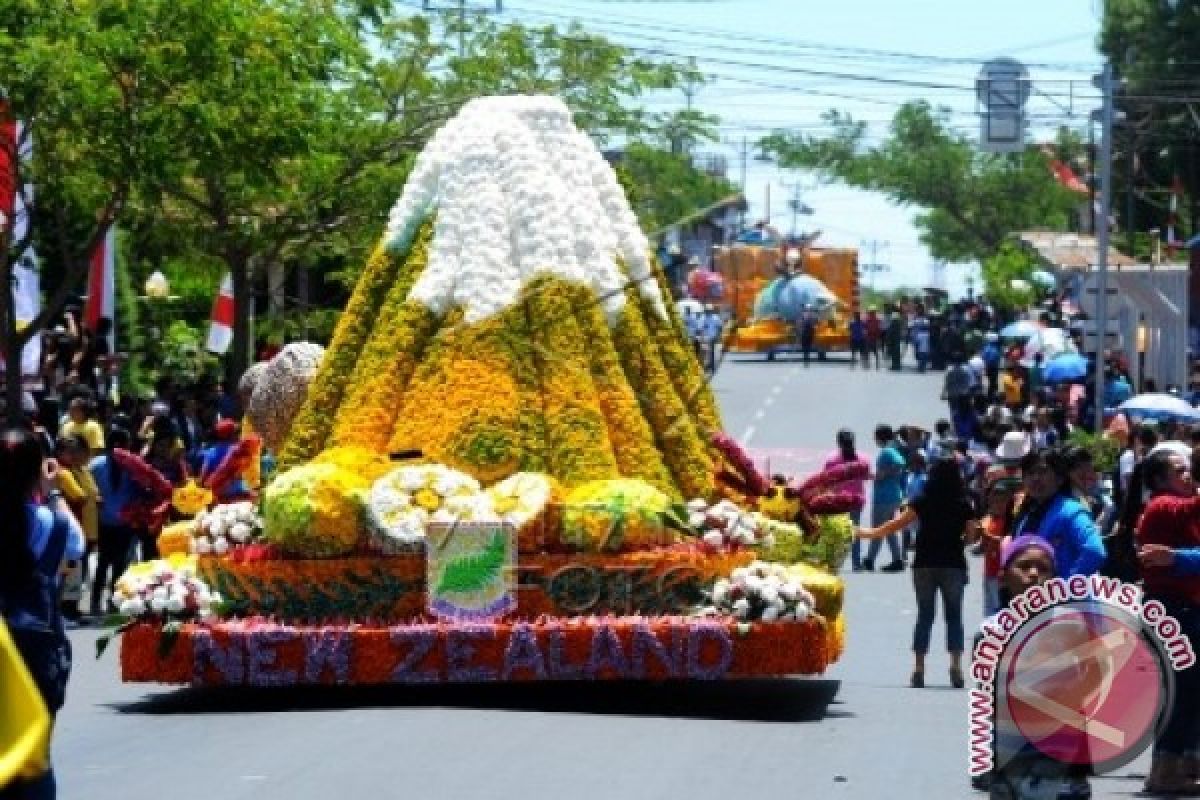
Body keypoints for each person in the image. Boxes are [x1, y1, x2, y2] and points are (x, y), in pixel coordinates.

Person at [1, 427, 86, 799]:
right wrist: (52, 493)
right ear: (39, 471)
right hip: (34, 653)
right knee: (34, 757)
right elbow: (78, 547)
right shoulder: (51, 522)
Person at [856, 457, 980, 688]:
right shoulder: (964, 503)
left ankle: (919, 667)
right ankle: (955, 665)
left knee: (925, 615)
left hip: (924, 563)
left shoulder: (922, 499)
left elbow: (895, 525)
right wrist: (959, 539)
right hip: (953, 563)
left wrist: (866, 533)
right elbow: (971, 537)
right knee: (954, 616)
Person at [1135, 449, 1200, 795]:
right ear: (1160, 480)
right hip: (1173, 610)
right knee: (1182, 691)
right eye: (1180, 471)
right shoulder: (1163, 506)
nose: (1188, 476)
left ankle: (1183, 763)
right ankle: (1164, 769)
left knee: (1189, 691)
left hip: (1184, 608)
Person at [1011, 449, 1106, 578]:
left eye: (1043, 472)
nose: (1035, 478)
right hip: (1032, 595)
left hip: (1064, 596)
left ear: (1060, 478)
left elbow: (1094, 551)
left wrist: (1066, 586)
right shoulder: (1025, 514)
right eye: (1030, 473)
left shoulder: (1071, 511)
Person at [88, 428, 140, 616]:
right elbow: (88, 488)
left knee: (120, 563)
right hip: (104, 522)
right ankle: (95, 601)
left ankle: (114, 600)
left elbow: (138, 491)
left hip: (124, 523)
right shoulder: (96, 465)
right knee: (103, 563)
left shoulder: (132, 466)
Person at [825, 429, 870, 570]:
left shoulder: (832, 460)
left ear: (838, 442)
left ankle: (834, 562)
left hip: (838, 500)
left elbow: (827, 480)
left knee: (837, 531)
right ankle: (856, 563)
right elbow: (865, 477)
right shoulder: (863, 459)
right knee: (854, 530)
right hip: (857, 499)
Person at [864, 424, 907, 572]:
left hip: (885, 497)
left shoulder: (887, 450)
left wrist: (883, 475)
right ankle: (897, 559)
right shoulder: (891, 448)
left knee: (878, 529)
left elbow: (900, 463)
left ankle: (869, 559)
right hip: (892, 495)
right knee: (889, 529)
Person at [981, 332, 1002, 400]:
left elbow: (983, 357)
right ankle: (991, 397)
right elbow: (997, 358)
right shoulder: (995, 349)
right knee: (993, 383)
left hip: (988, 367)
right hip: (993, 368)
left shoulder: (986, 348)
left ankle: (990, 396)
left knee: (992, 382)